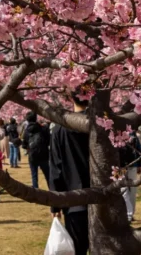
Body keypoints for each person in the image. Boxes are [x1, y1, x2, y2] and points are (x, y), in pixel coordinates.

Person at [50, 94, 90, 255]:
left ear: (71, 98)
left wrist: (55, 202)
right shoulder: (102, 124)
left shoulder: (60, 129)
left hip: (74, 199)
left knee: (77, 248)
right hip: (102, 196)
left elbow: (56, 167)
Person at [118, 127, 141, 222]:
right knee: (123, 189)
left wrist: (140, 164)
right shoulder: (113, 131)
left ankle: (131, 213)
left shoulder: (132, 132)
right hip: (119, 166)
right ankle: (127, 213)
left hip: (132, 164)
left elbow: (138, 148)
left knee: (132, 189)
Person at [22, 112, 51, 190]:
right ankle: (52, 188)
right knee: (47, 174)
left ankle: (35, 189)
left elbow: (24, 145)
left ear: (27, 120)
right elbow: (49, 141)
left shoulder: (27, 131)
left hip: (32, 155)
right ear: (36, 118)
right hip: (44, 154)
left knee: (34, 174)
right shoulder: (43, 128)